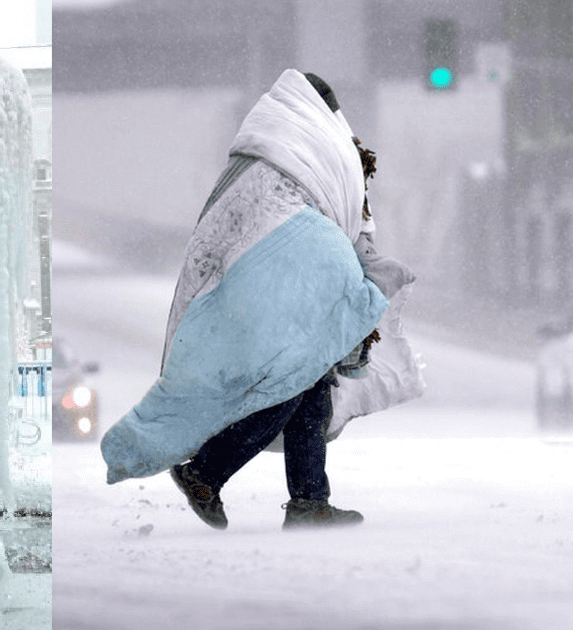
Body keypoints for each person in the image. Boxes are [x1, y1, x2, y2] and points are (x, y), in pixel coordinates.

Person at [99, 70, 421, 530]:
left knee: (309, 384)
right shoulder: (310, 152)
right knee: (289, 381)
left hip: (256, 284)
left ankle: (309, 500)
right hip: (274, 287)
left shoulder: (264, 156)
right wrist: (358, 273)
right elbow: (320, 223)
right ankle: (205, 472)